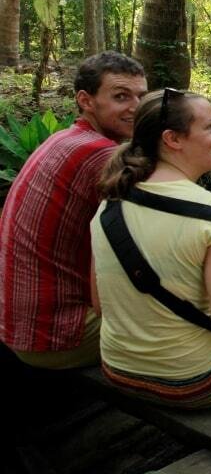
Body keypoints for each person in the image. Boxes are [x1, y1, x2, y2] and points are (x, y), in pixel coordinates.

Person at [89, 89, 211, 409]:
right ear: (173, 139)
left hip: (117, 372)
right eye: (210, 127)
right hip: (194, 384)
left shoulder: (109, 205)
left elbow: (100, 306)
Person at [0, 51, 146, 370]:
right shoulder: (104, 156)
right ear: (86, 100)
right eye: (121, 96)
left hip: (18, 323)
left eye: (141, 96)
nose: (136, 107)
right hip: (57, 336)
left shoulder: (64, 138)